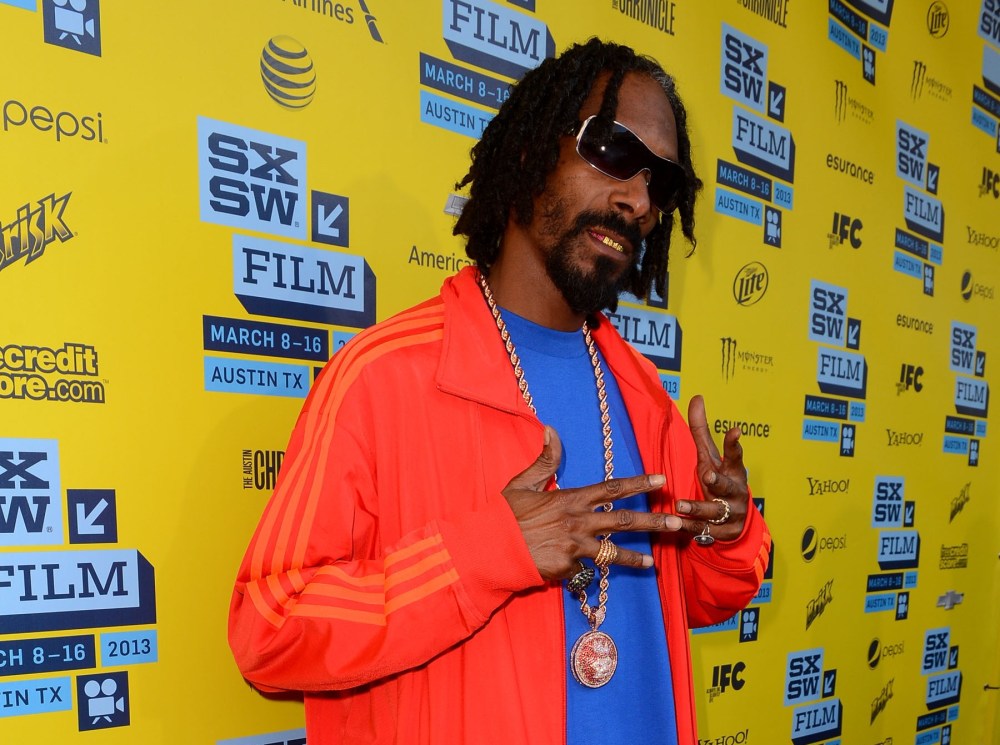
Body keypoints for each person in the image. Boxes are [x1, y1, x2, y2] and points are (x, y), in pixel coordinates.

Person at [229, 38, 771, 745]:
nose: (636, 199)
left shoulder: (644, 396)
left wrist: (722, 536)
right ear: (528, 153)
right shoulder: (381, 377)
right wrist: (486, 551)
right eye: (611, 149)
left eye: (658, 184)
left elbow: (685, 600)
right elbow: (270, 629)